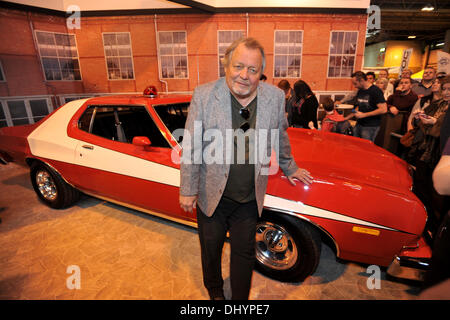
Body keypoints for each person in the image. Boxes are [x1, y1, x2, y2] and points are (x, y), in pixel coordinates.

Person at [179, 37, 313, 300]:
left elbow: (280, 135)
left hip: (249, 198)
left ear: (260, 72)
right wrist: (188, 188)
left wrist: (289, 166)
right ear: (226, 65)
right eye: (238, 66)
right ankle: (215, 292)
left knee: (244, 252)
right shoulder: (205, 95)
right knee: (211, 249)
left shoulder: (274, 97)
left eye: (252, 70)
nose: (244, 75)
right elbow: (192, 146)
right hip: (211, 195)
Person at [407, 76, 450, 234]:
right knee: (421, 187)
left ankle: (435, 229)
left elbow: (442, 132)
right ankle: (423, 223)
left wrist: (434, 123)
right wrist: (421, 118)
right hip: (426, 151)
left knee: (437, 197)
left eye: (449, 89)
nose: (446, 92)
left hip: (440, 156)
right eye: (444, 89)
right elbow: (420, 123)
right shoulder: (437, 104)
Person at [350, 71, 387, 142]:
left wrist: (364, 115)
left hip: (370, 126)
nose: (354, 86)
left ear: (362, 81)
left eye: (355, 83)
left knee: (366, 148)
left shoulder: (375, 91)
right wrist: (351, 114)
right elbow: (357, 106)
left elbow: (383, 109)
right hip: (359, 124)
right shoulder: (360, 91)